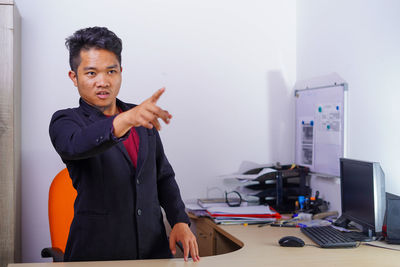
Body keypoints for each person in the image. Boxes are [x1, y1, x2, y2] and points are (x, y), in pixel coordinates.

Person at [49, 26, 200, 262]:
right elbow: (75, 145)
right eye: (91, 73)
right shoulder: (67, 121)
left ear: (121, 72)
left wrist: (179, 220)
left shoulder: (139, 116)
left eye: (111, 71)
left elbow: (162, 176)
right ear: (74, 77)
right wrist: (126, 119)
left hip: (153, 252)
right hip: (97, 255)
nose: (103, 82)